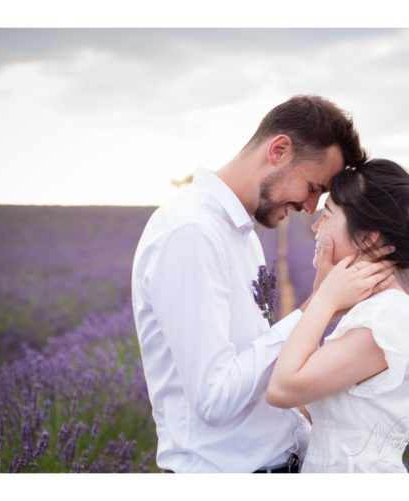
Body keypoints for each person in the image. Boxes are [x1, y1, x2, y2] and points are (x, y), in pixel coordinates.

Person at [131, 95, 393, 473]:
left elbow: (252, 360)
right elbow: (214, 399)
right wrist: (315, 307)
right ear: (279, 150)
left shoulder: (241, 232)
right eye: (313, 186)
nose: (310, 206)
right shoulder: (191, 233)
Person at [266, 158, 409, 473]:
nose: (315, 227)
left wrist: (324, 299)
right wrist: (324, 296)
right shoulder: (373, 311)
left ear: (368, 237)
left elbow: (282, 389)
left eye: (326, 216)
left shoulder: (384, 320)